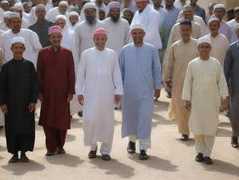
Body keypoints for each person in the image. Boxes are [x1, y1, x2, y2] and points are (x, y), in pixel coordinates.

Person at [76, 28, 123, 161]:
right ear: (93, 39)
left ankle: (106, 150)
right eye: (98, 39)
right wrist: (79, 92)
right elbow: (80, 73)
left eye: (102, 39)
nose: (100, 41)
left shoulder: (112, 54)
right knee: (90, 120)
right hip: (90, 93)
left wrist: (118, 90)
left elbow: (116, 73)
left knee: (107, 121)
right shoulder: (86, 54)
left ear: (106, 39)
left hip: (107, 93)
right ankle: (92, 147)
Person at [182, 37, 228, 165]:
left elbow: (221, 81)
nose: (204, 49)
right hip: (196, 101)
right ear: (198, 48)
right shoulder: (192, 64)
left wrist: (224, 97)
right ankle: (199, 152)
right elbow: (187, 82)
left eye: (207, 47)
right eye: (202, 46)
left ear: (210, 49)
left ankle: (207, 154)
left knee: (210, 127)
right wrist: (187, 99)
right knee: (198, 127)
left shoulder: (216, 63)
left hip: (212, 101)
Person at [119, 24, 161, 160]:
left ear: (144, 34)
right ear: (131, 34)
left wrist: (158, 86)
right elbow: (120, 71)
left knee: (144, 118)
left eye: (140, 33)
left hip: (146, 91)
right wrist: (118, 90)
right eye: (134, 33)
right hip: (129, 91)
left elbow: (157, 68)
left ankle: (143, 148)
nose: (137, 36)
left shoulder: (151, 49)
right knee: (131, 117)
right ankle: (131, 141)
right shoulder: (125, 50)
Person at [0, 37, 39, 163]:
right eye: (16, 47)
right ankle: (14, 153)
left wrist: (33, 101)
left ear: (24, 49)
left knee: (26, 128)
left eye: (21, 47)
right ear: (11, 49)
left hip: (26, 105)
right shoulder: (6, 67)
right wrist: (3, 103)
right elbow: (1, 86)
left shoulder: (29, 65)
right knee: (12, 129)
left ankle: (24, 153)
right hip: (11, 105)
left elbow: (35, 85)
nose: (18, 50)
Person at [37, 26, 75, 156]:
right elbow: (39, 73)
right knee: (48, 121)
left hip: (63, 93)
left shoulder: (68, 53)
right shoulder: (42, 53)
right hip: (47, 93)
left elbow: (71, 73)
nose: (56, 39)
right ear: (49, 38)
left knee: (62, 120)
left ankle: (60, 146)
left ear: (61, 38)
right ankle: (51, 148)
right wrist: (39, 92)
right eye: (53, 37)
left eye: (58, 37)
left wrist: (70, 91)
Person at [162, 20, 198, 140]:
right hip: (178, 81)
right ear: (180, 31)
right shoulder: (175, 46)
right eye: (183, 30)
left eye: (187, 30)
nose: (185, 32)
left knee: (195, 106)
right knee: (181, 106)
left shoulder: (198, 45)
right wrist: (167, 78)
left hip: (195, 82)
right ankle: (184, 132)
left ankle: (197, 130)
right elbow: (169, 64)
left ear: (191, 30)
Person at [73, 3, 104, 67]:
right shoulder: (79, 27)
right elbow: (75, 46)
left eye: (92, 12)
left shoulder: (102, 25)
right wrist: (77, 63)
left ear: (95, 12)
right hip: (84, 60)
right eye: (88, 12)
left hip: (101, 58)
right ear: (84, 13)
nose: (90, 14)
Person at [224, 24, 239, 148]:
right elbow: (226, 69)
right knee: (235, 113)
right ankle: (235, 135)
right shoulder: (231, 49)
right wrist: (228, 85)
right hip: (235, 87)